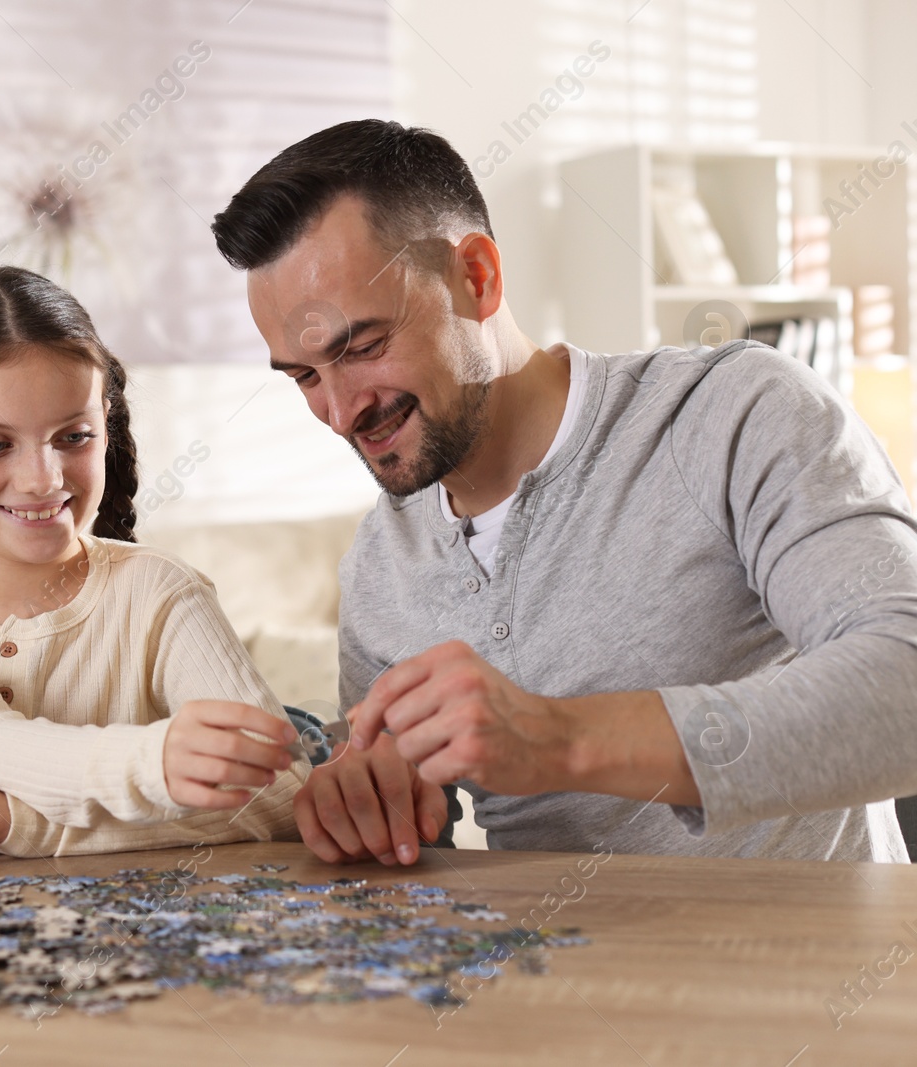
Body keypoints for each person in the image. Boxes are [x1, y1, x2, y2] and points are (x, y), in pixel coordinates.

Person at [211, 119, 917, 862]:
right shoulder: (378, 568)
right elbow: (422, 852)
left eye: (361, 348)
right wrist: (371, 808)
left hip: (812, 971)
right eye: (304, 376)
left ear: (475, 278)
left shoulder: (734, 412)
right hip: (555, 975)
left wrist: (563, 739)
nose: (339, 410)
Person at [0, 267, 395, 862]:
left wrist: (23, 826)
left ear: (106, 426)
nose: (42, 479)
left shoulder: (161, 591)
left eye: (73, 437)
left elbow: (281, 799)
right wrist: (155, 763)